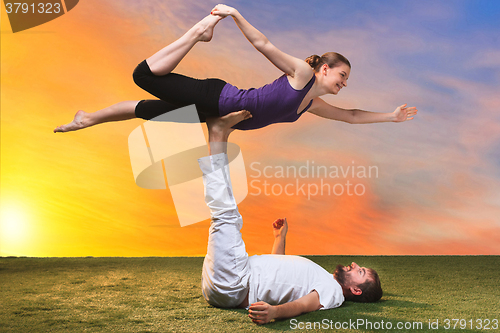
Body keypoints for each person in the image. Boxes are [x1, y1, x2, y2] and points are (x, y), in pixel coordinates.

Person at [54, 4, 417, 133]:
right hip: (218, 95)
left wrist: (391, 117)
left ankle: (87, 119)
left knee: (145, 112)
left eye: (346, 81)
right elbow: (264, 45)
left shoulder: (311, 104)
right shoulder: (301, 76)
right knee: (143, 76)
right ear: (324, 69)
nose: (344, 84)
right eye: (342, 76)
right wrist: (234, 14)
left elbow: (352, 116)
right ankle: (198, 32)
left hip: (214, 113)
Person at [200, 112, 382, 325]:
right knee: (226, 214)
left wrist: (275, 312)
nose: (354, 264)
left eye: (360, 271)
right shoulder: (324, 278)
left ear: (355, 290)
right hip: (235, 277)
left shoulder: (334, 292)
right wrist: (279, 238)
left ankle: (218, 134)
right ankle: (220, 136)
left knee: (225, 214)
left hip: (235, 282)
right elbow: (279, 272)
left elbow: (305, 305)